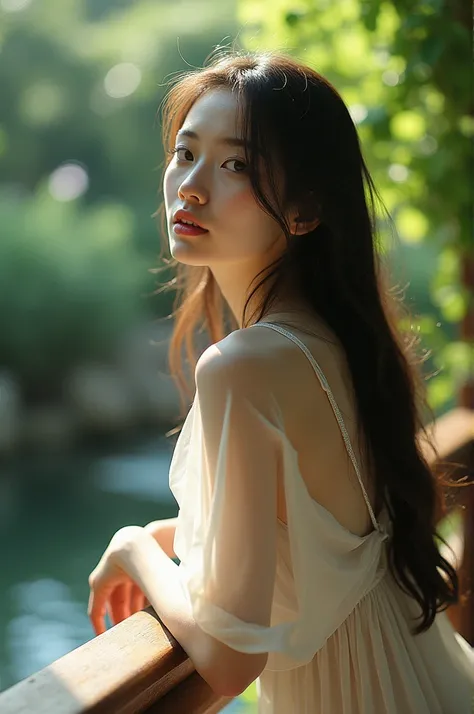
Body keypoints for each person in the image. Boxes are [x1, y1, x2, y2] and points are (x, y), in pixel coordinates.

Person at [87, 49, 474, 712]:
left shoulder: (244, 367)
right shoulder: (337, 338)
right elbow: (322, 526)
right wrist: (177, 534)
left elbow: (231, 659)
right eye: (185, 153)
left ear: (304, 211)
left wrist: (132, 548)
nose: (191, 186)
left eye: (235, 163)